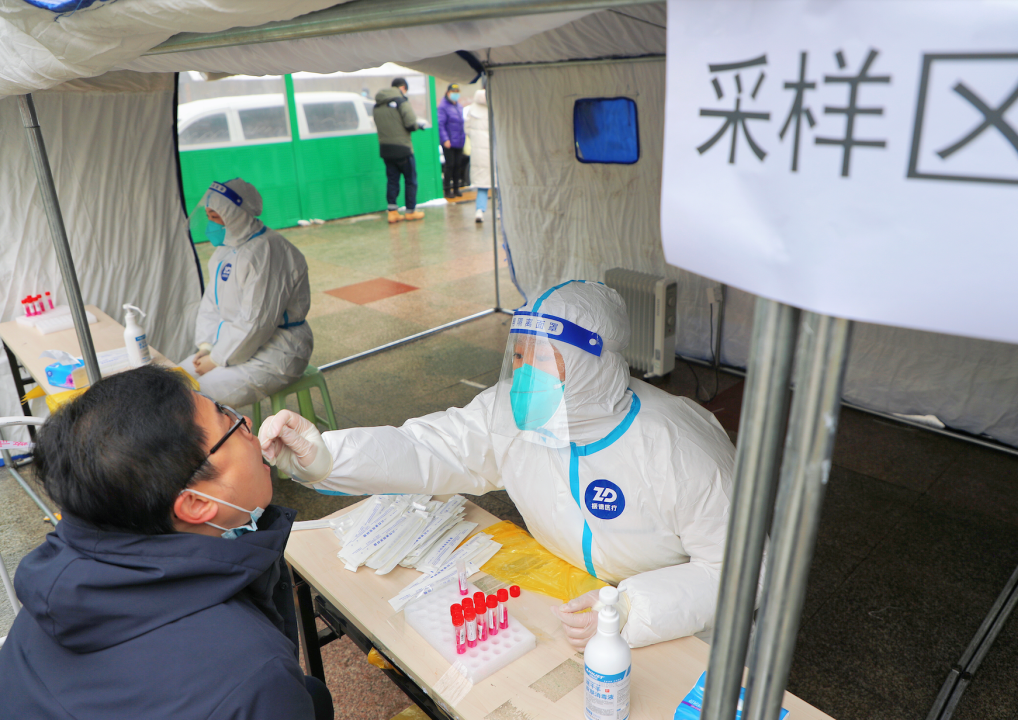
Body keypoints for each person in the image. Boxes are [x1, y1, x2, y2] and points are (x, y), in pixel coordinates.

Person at [260, 281, 740, 651]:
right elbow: (428, 450)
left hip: (679, 624)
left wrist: (628, 610)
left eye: (544, 360)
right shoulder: (508, 416)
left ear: (594, 363)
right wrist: (324, 456)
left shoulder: (678, 446)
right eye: (518, 356)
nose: (525, 375)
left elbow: (741, 572)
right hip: (568, 602)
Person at [0, 365, 334, 720]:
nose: (249, 425)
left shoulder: (59, 579)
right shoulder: (253, 673)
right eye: (230, 424)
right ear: (195, 503)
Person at [179, 178, 313, 408]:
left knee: (197, 400)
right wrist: (207, 346)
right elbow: (211, 304)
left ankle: (220, 443)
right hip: (232, 346)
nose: (210, 224)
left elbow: (257, 322)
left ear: (236, 216)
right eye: (209, 216)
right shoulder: (225, 252)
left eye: (215, 217)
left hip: (278, 352)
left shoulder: (267, 252)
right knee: (175, 381)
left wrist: (216, 359)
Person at [374, 77, 426, 223]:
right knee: (410, 181)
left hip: (386, 149)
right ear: (402, 88)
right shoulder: (401, 102)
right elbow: (410, 124)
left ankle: (392, 213)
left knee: (392, 180)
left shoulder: (377, 104)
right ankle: (410, 211)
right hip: (403, 148)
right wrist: (418, 125)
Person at [464, 88, 491, 223]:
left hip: (478, 152)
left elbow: (467, 128)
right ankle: (501, 212)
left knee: (482, 183)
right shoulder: (494, 105)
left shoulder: (472, 108)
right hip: (493, 150)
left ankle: (479, 211)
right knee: (499, 182)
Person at [438, 83, 467, 198]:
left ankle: (456, 188)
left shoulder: (459, 106)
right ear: (448, 93)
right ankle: (447, 190)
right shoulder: (443, 107)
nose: (455, 94)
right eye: (453, 92)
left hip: (459, 141)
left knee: (458, 165)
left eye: (457, 92)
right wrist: (445, 139)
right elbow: (441, 124)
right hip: (449, 142)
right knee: (450, 165)